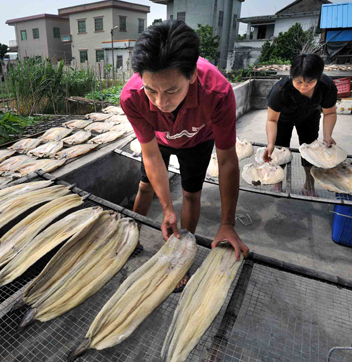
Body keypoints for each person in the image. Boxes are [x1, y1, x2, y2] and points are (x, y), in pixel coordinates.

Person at [121, 20, 249, 275]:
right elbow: (150, 154)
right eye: (151, 91)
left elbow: (226, 161)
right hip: (160, 140)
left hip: (198, 140)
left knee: (192, 194)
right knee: (145, 187)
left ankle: (182, 251)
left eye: (171, 90)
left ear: (191, 75)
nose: (160, 102)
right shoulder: (132, 98)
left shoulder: (218, 93)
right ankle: (130, 235)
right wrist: (167, 209)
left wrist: (227, 223)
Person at [263, 54, 338, 196]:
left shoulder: (326, 86)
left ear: (319, 77)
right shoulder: (280, 89)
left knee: (310, 148)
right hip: (283, 118)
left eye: (309, 82)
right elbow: (272, 120)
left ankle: (309, 184)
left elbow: (330, 113)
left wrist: (328, 135)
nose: (304, 87)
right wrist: (270, 143)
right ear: (291, 76)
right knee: (279, 148)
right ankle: (277, 181)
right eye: (298, 82)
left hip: (310, 115)